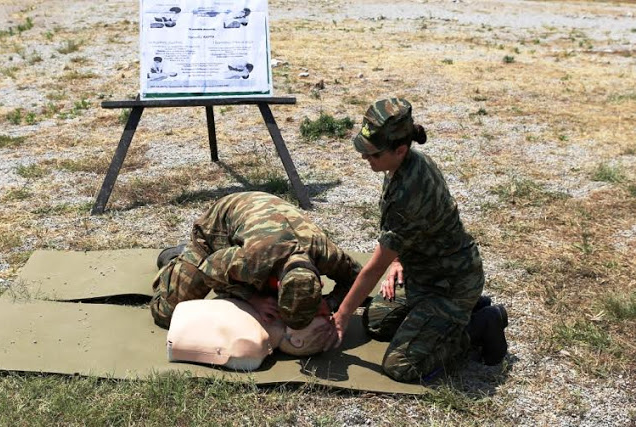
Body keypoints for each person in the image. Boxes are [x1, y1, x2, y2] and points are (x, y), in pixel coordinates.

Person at [325, 98, 508, 383]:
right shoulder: (402, 165)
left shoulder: (409, 192)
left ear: (399, 149)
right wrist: (398, 259)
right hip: (425, 276)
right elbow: (412, 231)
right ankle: (466, 309)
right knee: (376, 322)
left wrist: (342, 315)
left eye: (372, 155)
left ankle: (478, 324)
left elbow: (373, 269)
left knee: (402, 366)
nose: (366, 159)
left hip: (450, 286)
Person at [150, 191, 362, 331]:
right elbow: (210, 268)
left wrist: (332, 303)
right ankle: (175, 258)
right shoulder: (254, 259)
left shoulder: (326, 253)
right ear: (279, 284)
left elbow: (357, 277)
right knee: (167, 315)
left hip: (263, 222)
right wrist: (252, 298)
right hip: (216, 233)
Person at [167, 298, 333, 371]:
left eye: (321, 320)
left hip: (176, 324)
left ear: (297, 340)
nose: (318, 314)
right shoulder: (267, 310)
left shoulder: (252, 345)